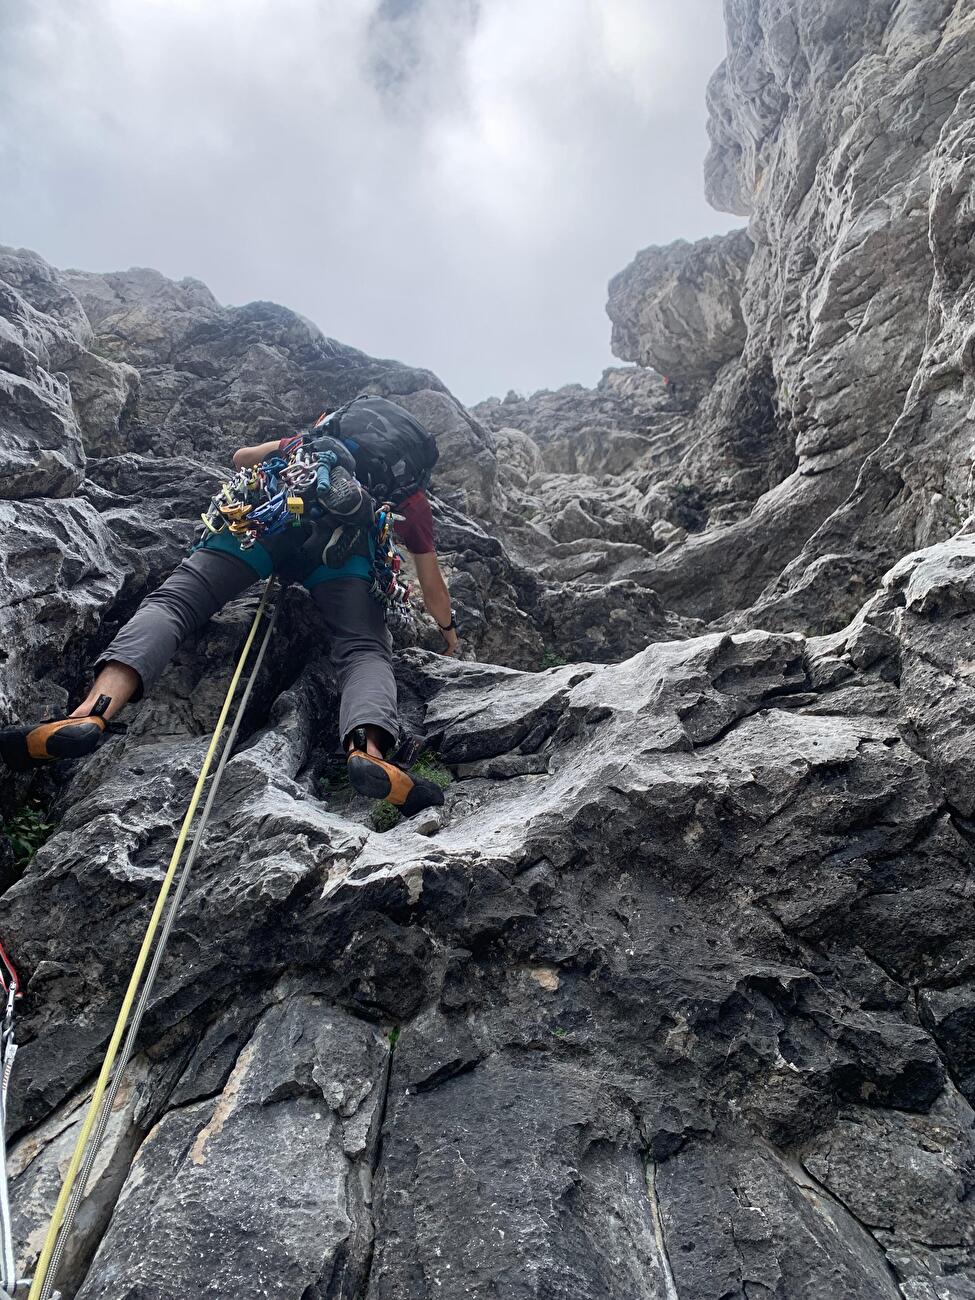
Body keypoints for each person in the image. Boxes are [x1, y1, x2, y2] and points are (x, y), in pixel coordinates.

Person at [0, 406, 457, 819]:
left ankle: (91, 712)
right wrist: (449, 633)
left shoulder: (312, 441)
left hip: (267, 518)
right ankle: (369, 751)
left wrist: (291, 448)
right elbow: (432, 585)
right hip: (343, 558)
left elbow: (242, 458)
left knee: (177, 602)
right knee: (363, 650)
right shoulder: (412, 497)